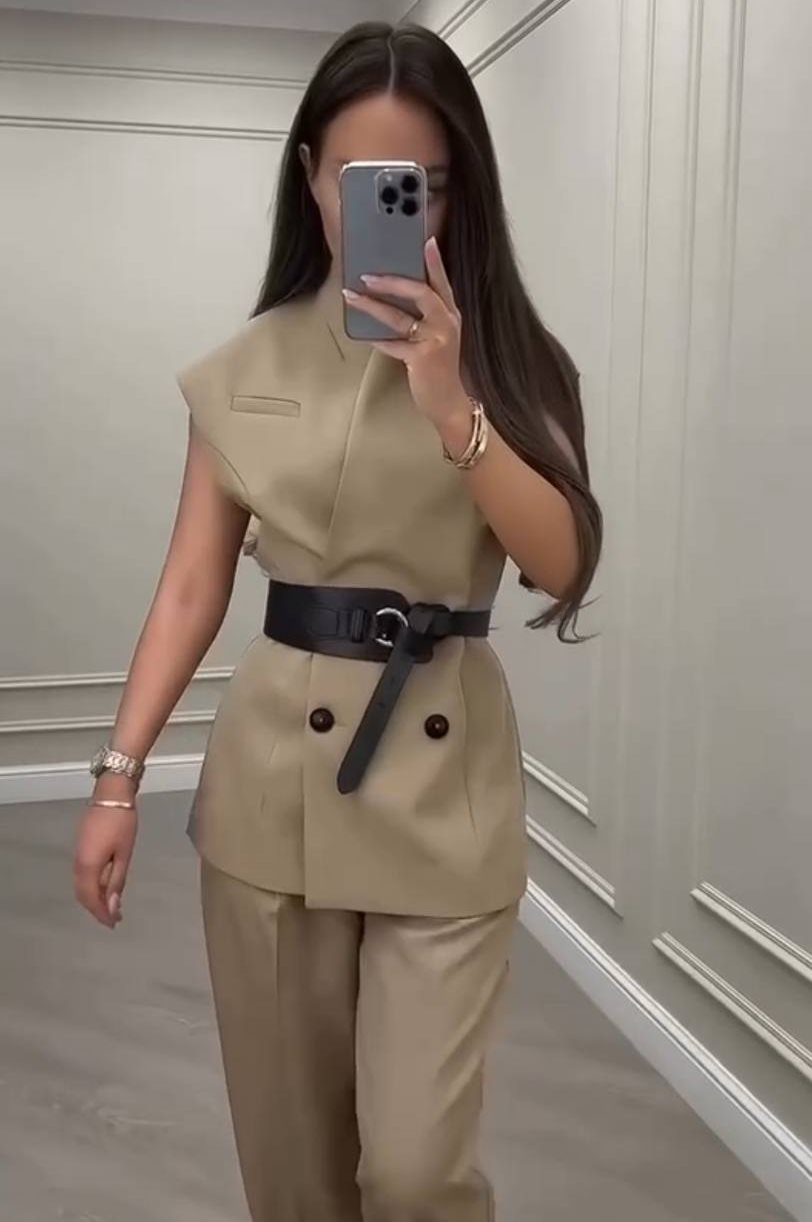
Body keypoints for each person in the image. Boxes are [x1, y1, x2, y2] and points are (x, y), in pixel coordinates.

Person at [73, 20, 602, 1222]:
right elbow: (191, 585)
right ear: (311, 177)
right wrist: (116, 779)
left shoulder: (517, 363)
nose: (395, 215)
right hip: (273, 788)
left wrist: (454, 406)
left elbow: (560, 564)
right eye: (362, 183)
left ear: (461, 190)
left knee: (414, 1172)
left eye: (425, 186)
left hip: (442, 783)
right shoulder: (240, 367)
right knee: (295, 1171)